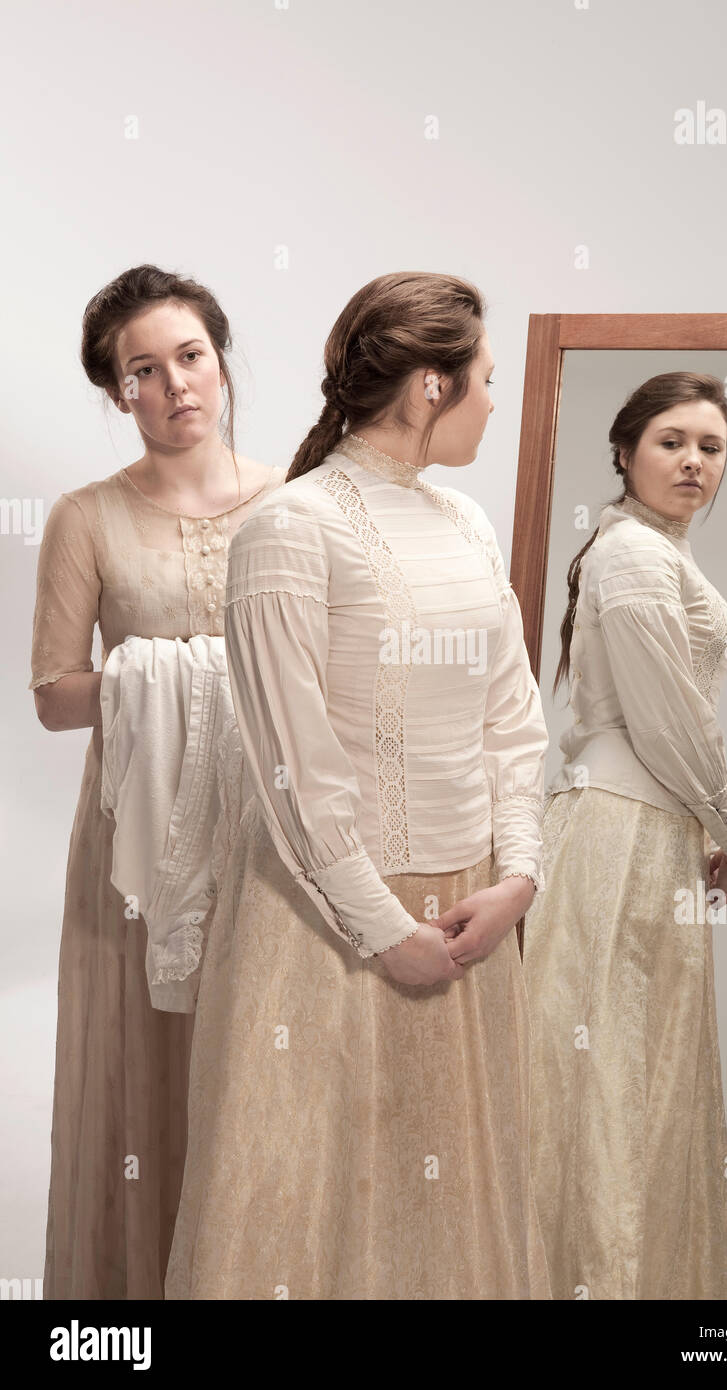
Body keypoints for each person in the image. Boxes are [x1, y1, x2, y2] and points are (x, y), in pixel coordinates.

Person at [165, 271, 552, 1300]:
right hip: (322, 927)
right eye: (482, 379)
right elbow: (292, 765)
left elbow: (512, 718)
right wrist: (386, 929)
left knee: (453, 1203)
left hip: (468, 911)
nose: (491, 398)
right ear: (430, 385)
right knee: (309, 1202)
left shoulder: (466, 525)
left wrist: (517, 873)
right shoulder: (287, 531)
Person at [29, 264, 286, 1298]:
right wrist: (171, 676)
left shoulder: (295, 499)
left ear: (220, 363)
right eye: (145, 369)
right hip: (136, 843)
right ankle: (135, 1302)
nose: (176, 383)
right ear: (116, 392)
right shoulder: (85, 517)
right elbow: (52, 694)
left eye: (190, 356)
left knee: (265, 1059)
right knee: (143, 1066)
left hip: (271, 831)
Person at [523, 373, 727, 1300]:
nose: (694, 460)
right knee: (601, 1066)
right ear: (623, 452)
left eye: (711, 445)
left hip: (643, 831)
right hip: (620, 830)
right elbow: (666, 720)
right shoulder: (631, 557)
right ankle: (586, 1279)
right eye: (671, 441)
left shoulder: (657, 553)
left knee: (634, 1065)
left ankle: (631, 1275)